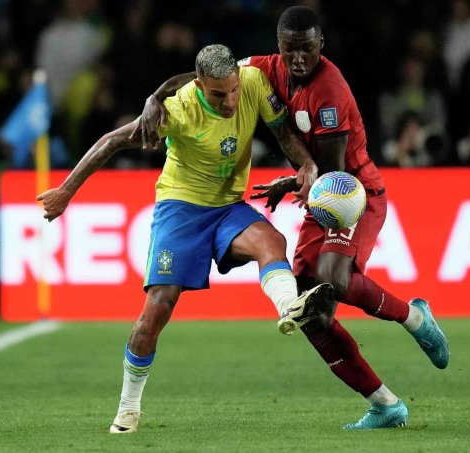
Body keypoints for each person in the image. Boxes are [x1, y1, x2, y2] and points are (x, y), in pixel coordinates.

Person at [135, 7, 450, 430]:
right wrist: (156, 97)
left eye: (306, 49)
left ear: (321, 45)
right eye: (289, 50)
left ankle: (414, 317)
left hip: (351, 192)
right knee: (310, 312)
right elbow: (199, 80)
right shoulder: (264, 68)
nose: (298, 59)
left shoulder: (330, 91)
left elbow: (332, 171)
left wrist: (299, 177)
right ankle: (385, 404)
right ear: (278, 46)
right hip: (319, 195)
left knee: (334, 279)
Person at [36, 44, 335, 434]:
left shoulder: (253, 82)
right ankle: (128, 407)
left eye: (233, 91)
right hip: (181, 209)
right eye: (218, 94)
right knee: (159, 306)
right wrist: (65, 191)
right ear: (199, 85)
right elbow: (111, 140)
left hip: (228, 204)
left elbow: (282, 132)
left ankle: (287, 306)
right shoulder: (176, 110)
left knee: (271, 241)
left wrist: (306, 163)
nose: (230, 102)